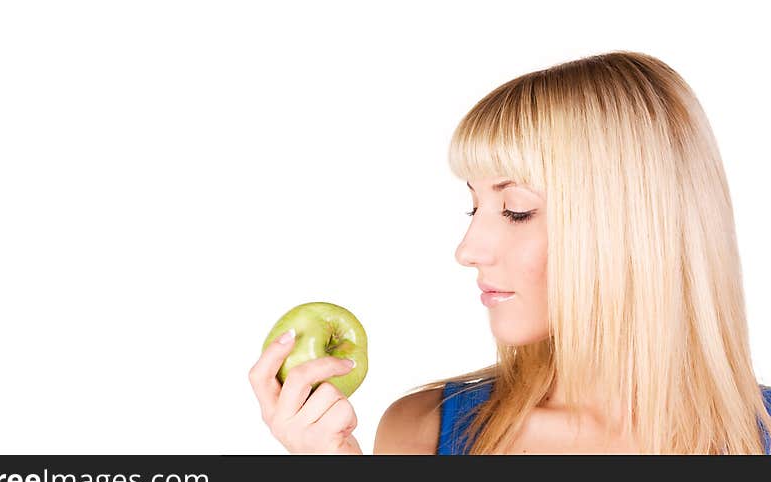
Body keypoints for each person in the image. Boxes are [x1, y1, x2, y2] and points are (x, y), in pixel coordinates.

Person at [248, 50, 771, 454]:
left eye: (516, 209)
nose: (468, 250)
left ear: (632, 227)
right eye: (473, 208)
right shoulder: (422, 433)